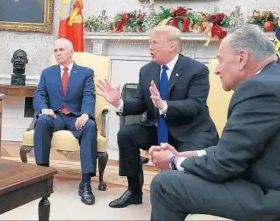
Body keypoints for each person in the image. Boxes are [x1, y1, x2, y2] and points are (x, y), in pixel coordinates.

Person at [149, 24, 280, 221]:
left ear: (241, 59)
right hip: (271, 180)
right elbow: (238, 149)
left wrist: (174, 161)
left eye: (220, 60)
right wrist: (192, 154)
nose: (216, 70)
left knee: (165, 185)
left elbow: (224, 164)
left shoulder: (260, 89)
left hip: (274, 196)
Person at [96, 25, 219, 208]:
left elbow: (195, 105)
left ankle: (183, 200)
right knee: (127, 134)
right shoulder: (147, 70)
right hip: (158, 128)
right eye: (149, 42)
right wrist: (118, 103)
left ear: (173, 46)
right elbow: (139, 103)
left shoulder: (197, 70)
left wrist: (164, 105)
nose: (150, 47)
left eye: (155, 43)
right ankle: (134, 191)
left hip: (190, 130)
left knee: (188, 164)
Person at [33, 38, 97, 205]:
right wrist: (43, 108)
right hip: (55, 116)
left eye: (61, 50)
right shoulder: (48, 72)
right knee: (42, 121)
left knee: (90, 126)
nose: (58, 53)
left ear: (71, 51)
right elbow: (39, 95)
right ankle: (42, 178)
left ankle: (86, 184)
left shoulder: (86, 72)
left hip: (76, 117)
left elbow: (88, 96)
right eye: (55, 51)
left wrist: (85, 114)